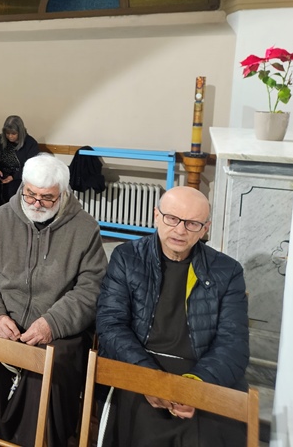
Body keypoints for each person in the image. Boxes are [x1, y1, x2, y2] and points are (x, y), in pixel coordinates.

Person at [0, 154, 107, 447]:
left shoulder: (85, 228)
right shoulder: (2, 217)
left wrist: (52, 323)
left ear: (63, 193)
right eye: (30, 194)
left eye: (47, 198)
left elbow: (91, 290)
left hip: (59, 329)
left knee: (46, 371)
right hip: (6, 320)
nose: (36, 203)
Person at [95, 186, 249, 447]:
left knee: (211, 433)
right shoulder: (126, 257)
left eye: (192, 223)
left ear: (205, 228)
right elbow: (110, 324)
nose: (180, 230)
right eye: (172, 219)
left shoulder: (228, 271)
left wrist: (195, 387)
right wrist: (148, 377)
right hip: (140, 365)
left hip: (201, 372)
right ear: (157, 216)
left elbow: (234, 343)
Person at [0, 115, 40, 206]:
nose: (10, 136)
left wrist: (14, 176)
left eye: (13, 133)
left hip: (19, 176)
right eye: (7, 133)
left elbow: (32, 167)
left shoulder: (30, 143)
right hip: (0, 173)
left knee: (12, 190)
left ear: (20, 132)